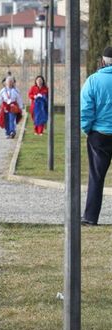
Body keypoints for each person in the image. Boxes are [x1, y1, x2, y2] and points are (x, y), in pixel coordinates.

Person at [80, 46, 112, 226]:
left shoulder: (93, 81)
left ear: (102, 62)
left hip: (99, 135)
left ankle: (91, 217)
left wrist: (87, 129)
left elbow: (85, 110)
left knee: (96, 177)